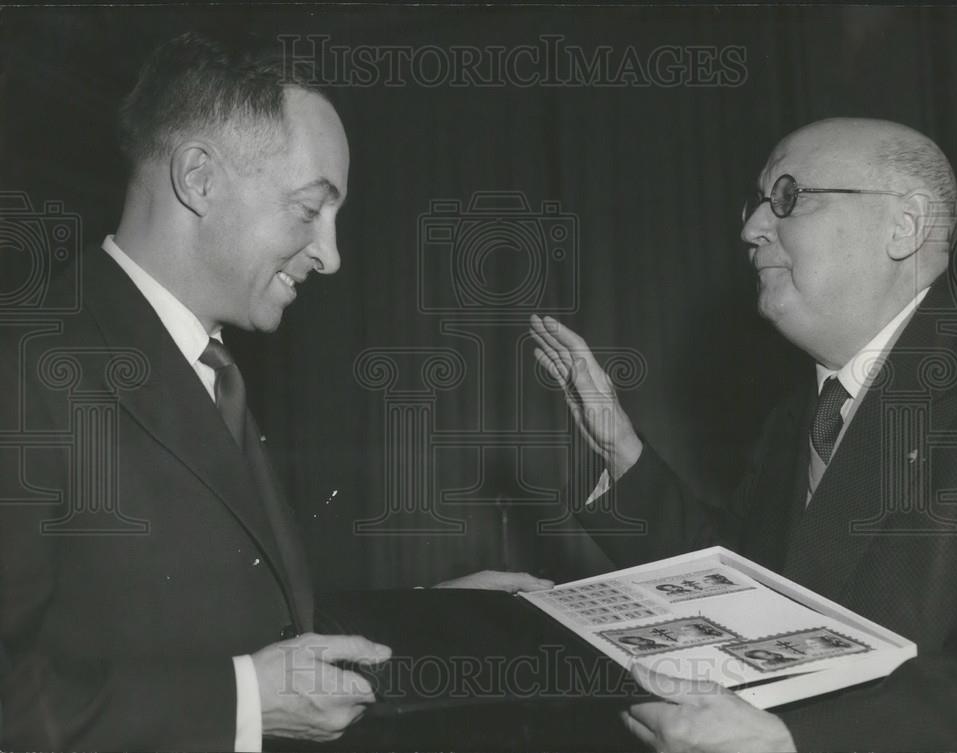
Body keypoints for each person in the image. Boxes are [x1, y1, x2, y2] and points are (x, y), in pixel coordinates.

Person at [0, 31, 549, 751]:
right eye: (308, 209)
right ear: (198, 178)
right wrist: (240, 704)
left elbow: (237, 622)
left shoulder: (205, 363)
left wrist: (431, 616)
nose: (331, 254)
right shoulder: (27, 363)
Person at [530, 118, 957, 751]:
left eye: (787, 197)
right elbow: (743, 588)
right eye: (755, 204)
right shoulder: (800, 412)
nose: (750, 229)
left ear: (904, 227)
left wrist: (792, 742)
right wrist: (621, 451)